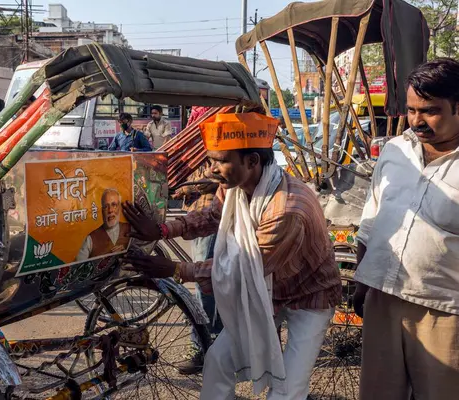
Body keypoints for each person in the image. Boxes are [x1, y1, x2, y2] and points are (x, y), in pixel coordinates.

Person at [122, 111, 341, 400]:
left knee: (287, 389)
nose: (211, 169)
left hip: (309, 295)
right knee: (218, 361)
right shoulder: (234, 187)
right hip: (265, 292)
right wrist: (161, 229)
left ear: (252, 162)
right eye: (210, 159)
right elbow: (211, 216)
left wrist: (176, 270)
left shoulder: (286, 209)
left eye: (219, 161)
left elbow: (245, 268)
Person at [352, 58, 459, 400]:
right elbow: (372, 218)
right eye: (411, 110)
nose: (416, 121)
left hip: (444, 309)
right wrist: (361, 280)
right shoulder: (395, 151)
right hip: (383, 297)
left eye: (429, 111)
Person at [172, 159, 222, 375]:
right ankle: (213, 342)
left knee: (204, 284)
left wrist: (185, 185)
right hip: (198, 215)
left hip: (210, 217)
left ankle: (202, 346)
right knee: (208, 283)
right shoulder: (197, 155)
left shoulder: (215, 154)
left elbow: (207, 181)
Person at [76, 188, 131, 261]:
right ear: (102, 211)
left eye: (114, 205)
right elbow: (78, 269)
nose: (110, 210)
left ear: (119, 208)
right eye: (106, 206)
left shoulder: (131, 229)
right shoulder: (91, 239)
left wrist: (128, 251)